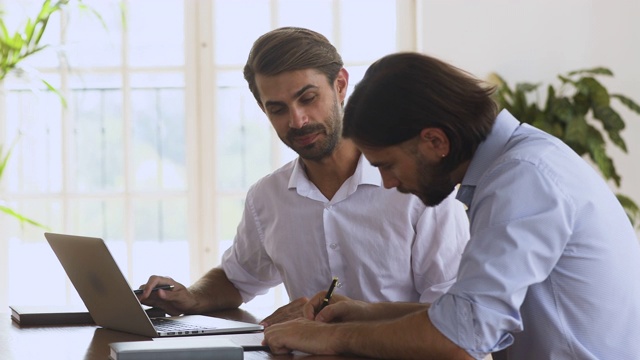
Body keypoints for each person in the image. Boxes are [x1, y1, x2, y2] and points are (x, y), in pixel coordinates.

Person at [262, 52, 640, 359]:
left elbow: (462, 337)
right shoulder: (518, 164)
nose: (389, 183)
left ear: (435, 142)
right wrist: (366, 313)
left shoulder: (522, 180)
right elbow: (468, 314)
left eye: (388, 165)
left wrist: (331, 339)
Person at [137, 29, 470, 327]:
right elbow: (238, 278)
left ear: (340, 85)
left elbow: (448, 312)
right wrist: (189, 297)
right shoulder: (267, 196)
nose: (297, 121)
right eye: (278, 109)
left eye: (308, 98)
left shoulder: (417, 187)